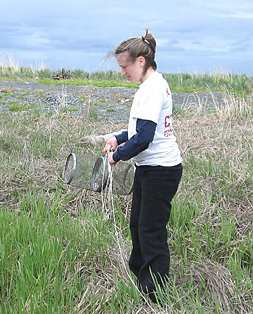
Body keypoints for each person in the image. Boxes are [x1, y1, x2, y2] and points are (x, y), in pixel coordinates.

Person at [103, 28, 183, 303]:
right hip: (151, 169)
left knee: (151, 231)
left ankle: (155, 295)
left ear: (140, 61)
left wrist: (118, 155)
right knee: (137, 224)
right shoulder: (151, 85)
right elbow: (141, 129)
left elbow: (146, 138)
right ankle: (140, 281)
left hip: (161, 170)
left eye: (125, 67)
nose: (123, 72)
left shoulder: (151, 88)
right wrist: (118, 138)